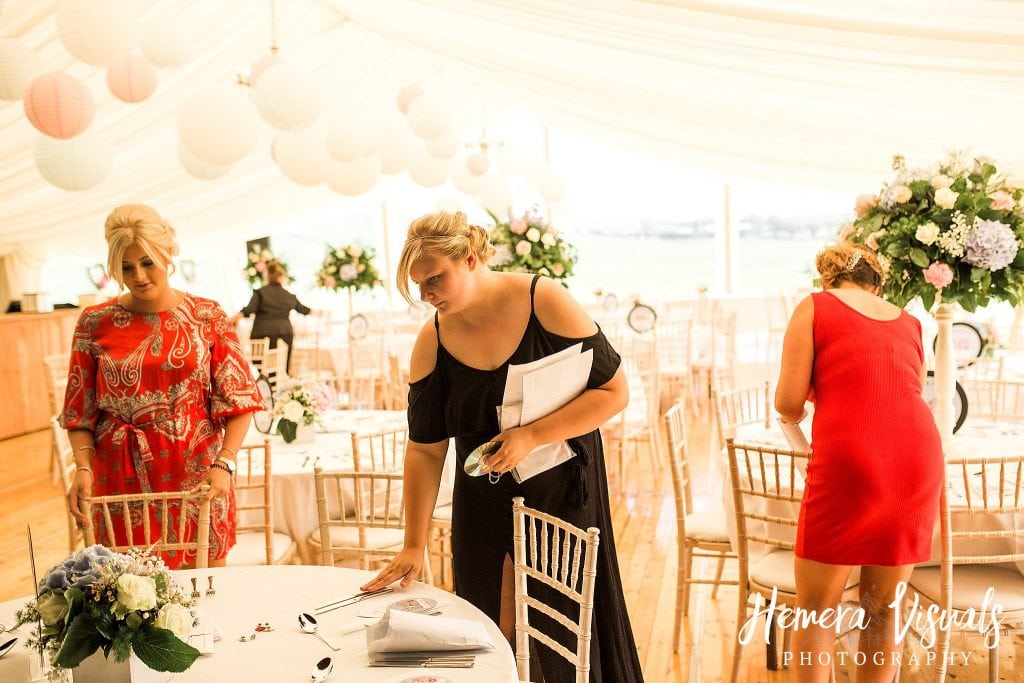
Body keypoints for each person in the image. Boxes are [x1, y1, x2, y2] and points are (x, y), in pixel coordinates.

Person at [360, 211, 644, 682]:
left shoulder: (544, 299)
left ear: (470, 259)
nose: (428, 295)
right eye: (419, 286)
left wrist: (533, 434)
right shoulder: (431, 341)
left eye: (436, 280)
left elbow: (614, 393)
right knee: (493, 626)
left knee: (560, 628)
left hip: (562, 492)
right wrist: (413, 543)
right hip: (483, 501)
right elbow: (426, 450)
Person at [774, 243, 943, 682]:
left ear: (827, 278)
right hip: (919, 458)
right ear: (878, 283)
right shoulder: (910, 322)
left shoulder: (814, 306)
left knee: (815, 612)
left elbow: (787, 403)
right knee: (883, 608)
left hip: (850, 457)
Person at [62, 204, 263, 569]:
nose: (138, 275)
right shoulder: (94, 322)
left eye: (147, 262)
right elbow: (79, 411)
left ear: (168, 253)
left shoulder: (207, 315)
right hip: (120, 482)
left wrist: (225, 463)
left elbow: (240, 400)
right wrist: (83, 468)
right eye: (126, 267)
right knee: (130, 597)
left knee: (208, 588)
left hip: (200, 476)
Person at [229, 261, 311, 374]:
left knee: (261, 368)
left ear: (266, 276)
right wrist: (321, 313)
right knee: (282, 368)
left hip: (262, 334)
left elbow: (248, 310)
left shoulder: (261, 293)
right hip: (285, 334)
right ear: (281, 277)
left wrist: (229, 320)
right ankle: (280, 387)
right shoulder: (289, 296)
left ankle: (264, 386)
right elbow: (304, 310)